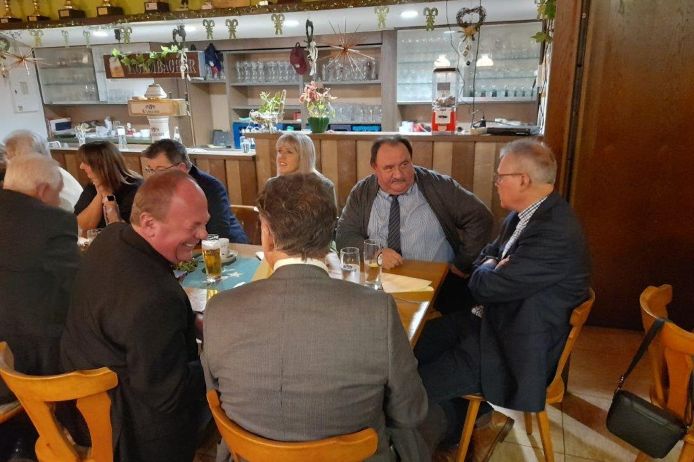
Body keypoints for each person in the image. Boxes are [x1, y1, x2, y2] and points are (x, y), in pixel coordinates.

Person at [203, 173, 429, 462]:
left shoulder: (218, 311)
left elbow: (217, 399)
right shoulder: (378, 311)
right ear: (330, 235)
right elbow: (410, 412)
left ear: (268, 236)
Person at [415, 140, 591, 460]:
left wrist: (489, 268)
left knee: (411, 386)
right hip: (489, 322)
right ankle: (466, 421)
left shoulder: (554, 231)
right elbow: (484, 258)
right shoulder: (525, 215)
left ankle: (452, 433)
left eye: (500, 176)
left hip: (512, 346)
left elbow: (485, 287)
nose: (496, 183)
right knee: (407, 348)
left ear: (523, 180)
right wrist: (492, 265)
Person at [61, 170, 209, 462]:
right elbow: (168, 396)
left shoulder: (112, 237)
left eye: (205, 223)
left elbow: (132, 320)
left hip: (78, 402)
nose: (203, 235)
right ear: (149, 224)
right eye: (194, 226)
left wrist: (193, 322)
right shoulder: (154, 298)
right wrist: (215, 361)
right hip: (125, 429)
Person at [336, 135, 493, 312]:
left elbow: (480, 218)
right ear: (375, 167)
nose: (398, 174)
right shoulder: (362, 192)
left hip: (438, 289)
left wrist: (462, 263)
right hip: (380, 287)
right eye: (389, 168)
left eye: (404, 164)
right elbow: (344, 235)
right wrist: (377, 254)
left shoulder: (438, 186)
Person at [0, 155, 79, 460]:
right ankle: (62, 434)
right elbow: (76, 285)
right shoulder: (52, 221)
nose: (58, 200)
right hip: (32, 356)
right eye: (57, 194)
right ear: (43, 190)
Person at [143, 139, 248, 243]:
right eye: (151, 170)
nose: (154, 177)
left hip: (228, 247)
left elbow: (217, 233)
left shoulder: (211, 187)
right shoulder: (158, 189)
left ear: (181, 168)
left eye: (160, 170)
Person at [3, 129, 82, 212]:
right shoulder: (27, 177)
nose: (7, 162)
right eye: (8, 157)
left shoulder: (50, 180)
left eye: (13, 157)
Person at [74, 141, 143, 232]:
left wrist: (107, 196)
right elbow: (80, 227)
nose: (81, 167)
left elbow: (121, 230)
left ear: (100, 165)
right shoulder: (93, 185)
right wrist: (100, 194)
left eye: (86, 163)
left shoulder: (134, 188)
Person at [275, 132, 336, 203]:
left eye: (289, 152)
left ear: (304, 157)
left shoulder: (323, 187)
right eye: (279, 151)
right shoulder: (272, 185)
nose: (281, 157)